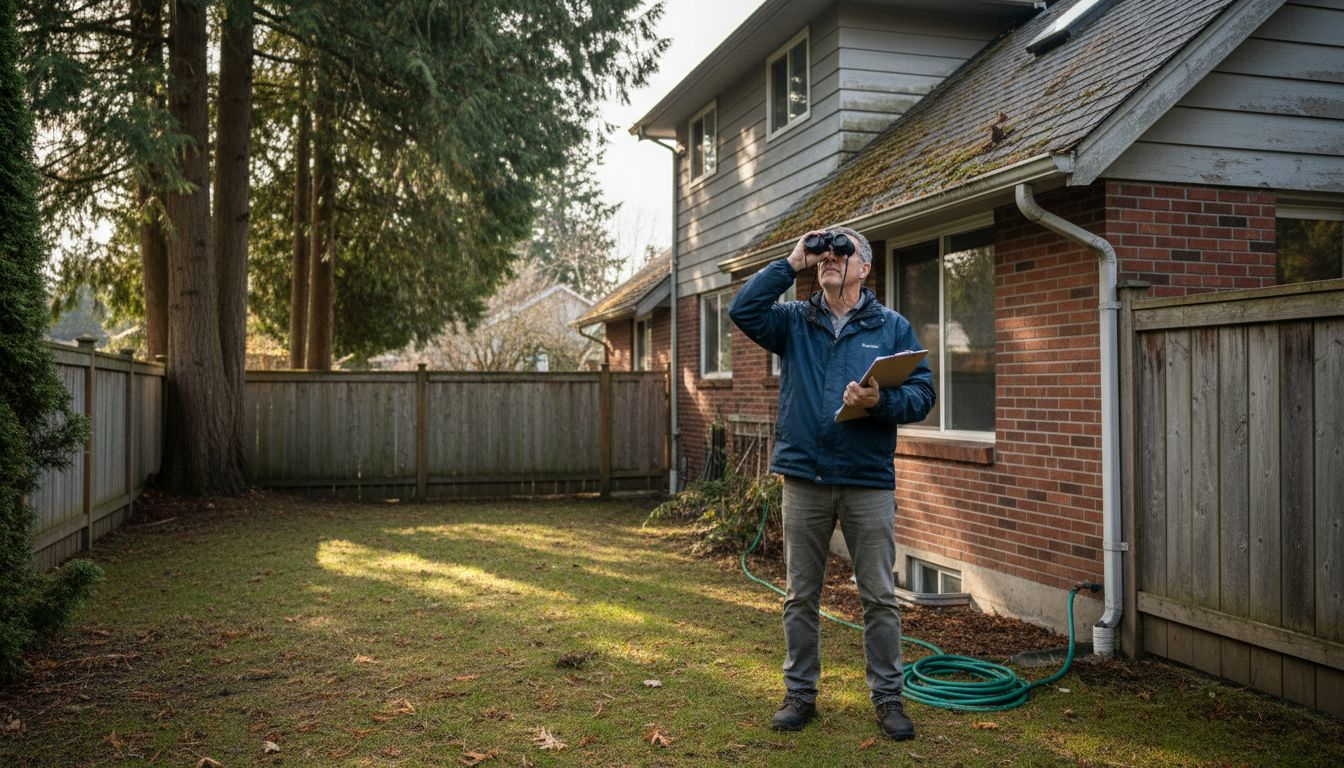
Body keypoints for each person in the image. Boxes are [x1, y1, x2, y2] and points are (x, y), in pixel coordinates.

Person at [728, 226, 935, 741]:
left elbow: (923, 394)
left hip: (867, 481)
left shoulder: (891, 327)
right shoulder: (794, 321)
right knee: (801, 594)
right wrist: (791, 262)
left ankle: (888, 698)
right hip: (805, 477)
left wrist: (880, 404)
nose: (830, 259)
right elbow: (743, 310)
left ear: (864, 268)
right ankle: (800, 693)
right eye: (823, 255)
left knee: (880, 597)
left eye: (842, 253)